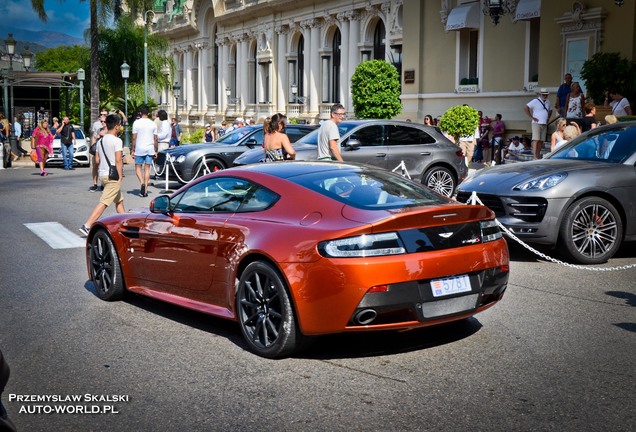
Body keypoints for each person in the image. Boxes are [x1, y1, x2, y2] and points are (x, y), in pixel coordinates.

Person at [79, 114, 125, 236]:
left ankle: (125, 224)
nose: (120, 127)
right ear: (116, 126)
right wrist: (120, 176)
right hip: (113, 176)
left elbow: (97, 160)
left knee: (119, 201)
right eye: (119, 125)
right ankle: (87, 225)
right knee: (104, 202)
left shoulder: (101, 141)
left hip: (103, 174)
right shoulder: (117, 141)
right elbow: (118, 160)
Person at [131, 105, 157, 197]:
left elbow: (134, 138)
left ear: (140, 113)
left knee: (138, 168)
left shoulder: (136, 123)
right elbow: (155, 138)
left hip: (139, 148)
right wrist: (155, 150)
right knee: (147, 168)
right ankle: (145, 189)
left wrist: (132, 149)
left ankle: (142, 183)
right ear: (148, 113)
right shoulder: (153, 123)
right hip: (150, 148)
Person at [524, 88, 553, 159]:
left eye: (546, 95)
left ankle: (538, 154)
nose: (545, 96)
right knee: (536, 139)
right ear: (540, 94)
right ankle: (534, 156)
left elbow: (551, 110)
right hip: (536, 123)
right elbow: (526, 107)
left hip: (544, 123)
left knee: (541, 140)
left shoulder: (548, 102)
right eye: (543, 94)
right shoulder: (535, 101)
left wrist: (548, 118)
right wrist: (531, 117)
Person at [90, 109, 109, 192]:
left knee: (103, 167)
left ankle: (103, 184)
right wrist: (92, 147)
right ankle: (95, 184)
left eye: (105, 115)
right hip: (98, 149)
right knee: (95, 166)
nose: (102, 116)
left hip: (106, 151)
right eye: (101, 114)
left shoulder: (110, 125)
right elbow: (93, 137)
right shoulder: (96, 125)